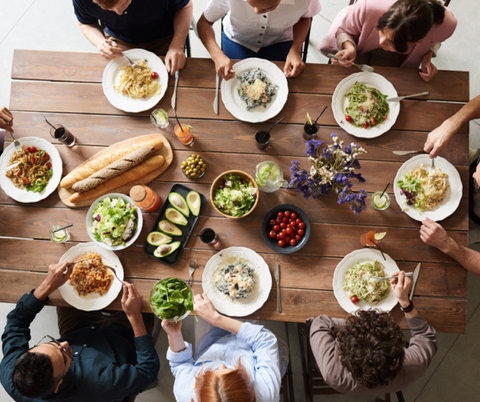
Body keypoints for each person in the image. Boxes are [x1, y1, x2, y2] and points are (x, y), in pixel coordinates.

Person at [0, 261, 160, 401]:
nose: (64, 343)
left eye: (52, 343)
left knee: (68, 287)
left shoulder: (10, 371)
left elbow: (16, 324)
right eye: (64, 354)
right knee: (144, 287)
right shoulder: (104, 384)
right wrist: (135, 316)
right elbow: (148, 371)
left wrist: (47, 285)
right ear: (58, 384)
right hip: (121, 339)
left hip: (78, 330)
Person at [309, 271, 437, 393]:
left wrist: (352, 327)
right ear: (398, 348)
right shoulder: (415, 364)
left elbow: (320, 323)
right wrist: (404, 302)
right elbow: (425, 336)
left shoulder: (331, 371)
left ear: (343, 351)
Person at [163, 292, 287, 401]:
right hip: (260, 346)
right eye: (232, 370)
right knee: (270, 298)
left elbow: (180, 364)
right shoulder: (266, 394)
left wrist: (174, 336)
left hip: (211, 341)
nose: (221, 364)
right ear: (247, 389)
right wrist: (216, 319)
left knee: (203, 296)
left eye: (211, 371)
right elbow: (265, 340)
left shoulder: (185, 394)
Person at [318, 0, 457, 82]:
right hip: (358, 41)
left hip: (400, 58)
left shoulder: (446, 25)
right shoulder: (370, 6)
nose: (381, 42)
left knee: (390, 82)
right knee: (343, 78)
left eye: (392, 42)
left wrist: (427, 57)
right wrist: (348, 47)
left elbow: (436, 41)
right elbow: (345, 30)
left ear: (417, 40)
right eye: (382, 30)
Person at [196, 0, 322, 80]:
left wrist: (296, 49)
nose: (257, 12)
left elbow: (305, 17)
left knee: (287, 84)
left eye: (270, 7)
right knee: (231, 83)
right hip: (237, 40)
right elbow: (204, 23)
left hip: (280, 41)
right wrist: (217, 56)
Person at [73, 0, 193, 74]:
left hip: (164, 37)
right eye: (108, 10)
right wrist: (100, 42)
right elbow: (85, 23)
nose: (118, 13)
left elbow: (185, 7)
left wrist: (177, 45)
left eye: (124, 3)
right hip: (120, 41)